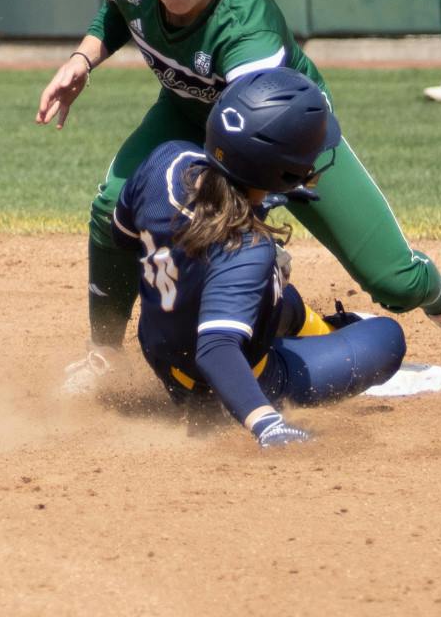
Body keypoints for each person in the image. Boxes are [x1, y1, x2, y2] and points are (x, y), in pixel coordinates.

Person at [37, 0, 441, 392]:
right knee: (112, 207)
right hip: (188, 113)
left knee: (390, 279)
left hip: (286, 136)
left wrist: (248, 227)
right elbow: (119, 12)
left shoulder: (246, 27)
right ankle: (105, 352)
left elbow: (252, 143)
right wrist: (81, 59)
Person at [113, 67, 409, 448]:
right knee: (387, 338)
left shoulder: (166, 162)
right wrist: (266, 423)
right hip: (225, 381)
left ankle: (318, 329)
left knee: (273, 292)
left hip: (160, 344)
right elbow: (217, 350)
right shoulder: (247, 249)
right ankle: (271, 378)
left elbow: (120, 237)